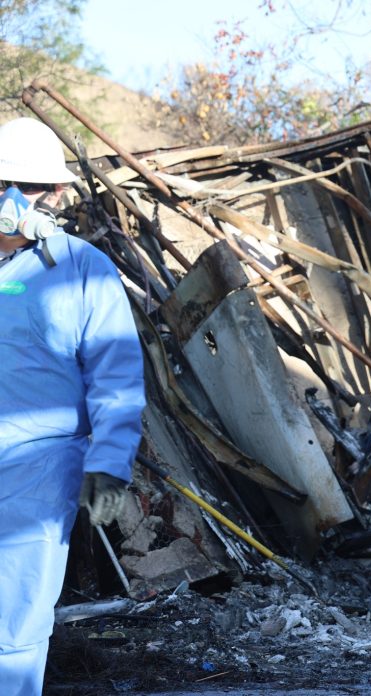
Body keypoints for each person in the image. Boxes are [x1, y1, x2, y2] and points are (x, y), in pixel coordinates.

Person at [0, 117, 145, 695]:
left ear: (55, 195)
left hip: (38, 466)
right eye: (0, 181)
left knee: (14, 614)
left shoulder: (83, 268)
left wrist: (109, 461)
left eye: (27, 186)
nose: (11, 198)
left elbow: (115, 374)